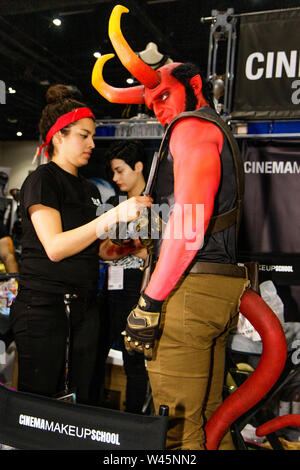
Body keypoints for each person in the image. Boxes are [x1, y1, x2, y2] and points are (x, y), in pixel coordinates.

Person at [91, 5, 250, 448]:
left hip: (188, 293)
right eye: (149, 103)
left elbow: (191, 224)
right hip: (214, 290)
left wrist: (149, 301)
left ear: (192, 86)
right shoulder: (212, 130)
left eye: (162, 97)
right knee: (205, 422)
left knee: (176, 435)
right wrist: (141, 227)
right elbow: (202, 213)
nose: (157, 110)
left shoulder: (191, 128)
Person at [8, 84, 152, 405]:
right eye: (83, 135)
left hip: (85, 309)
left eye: (92, 135)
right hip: (45, 309)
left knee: (84, 398)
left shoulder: (89, 188)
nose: (92, 143)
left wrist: (131, 248)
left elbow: (95, 249)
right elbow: (56, 247)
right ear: (59, 136)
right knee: (44, 404)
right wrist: (114, 214)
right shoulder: (42, 179)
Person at [99, 140, 149, 414]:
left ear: (138, 166)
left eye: (120, 171)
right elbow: (103, 251)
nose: (115, 178)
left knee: (135, 360)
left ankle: (133, 424)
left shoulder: (158, 201)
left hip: (142, 287)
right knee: (97, 349)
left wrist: (122, 246)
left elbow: (158, 252)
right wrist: (136, 245)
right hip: (111, 285)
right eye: (113, 172)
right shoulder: (112, 204)